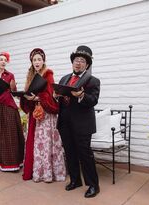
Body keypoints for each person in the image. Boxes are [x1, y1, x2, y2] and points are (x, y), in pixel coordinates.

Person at [56, 45, 100, 197]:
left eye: (82, 60)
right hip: (65, 123)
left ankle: (94, 185)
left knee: (85, 155)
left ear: (87, 65)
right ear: (72, 62)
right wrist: (56, 97)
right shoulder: (64, 78)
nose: (78, 63)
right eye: (76, 59)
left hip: (82, 124)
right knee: (70, 153)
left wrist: (81, 95)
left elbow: (93, 100)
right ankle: (75, 180)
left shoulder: (93, 81)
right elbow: (59, 99)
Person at [20, 48, 66, 182]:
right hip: (35, 114)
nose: (37, 62)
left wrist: (38, 98)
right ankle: (37, 172)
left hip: (46, 114)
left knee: (46, 143)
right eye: (34, 60)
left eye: (39, 59)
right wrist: (25, 97)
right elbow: (28, 93)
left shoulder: (48, 74)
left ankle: (48, 173)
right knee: (35, 143)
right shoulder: (30, 76)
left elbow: (51, 95)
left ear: (43, 60)